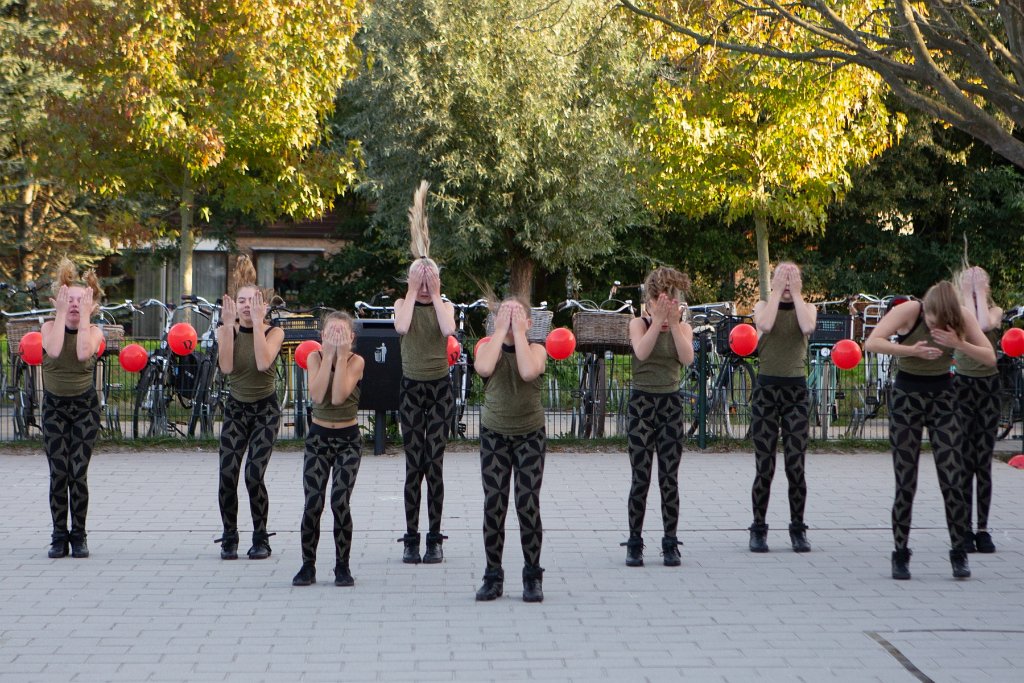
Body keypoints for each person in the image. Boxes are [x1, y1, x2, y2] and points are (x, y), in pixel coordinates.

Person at [865, 280, 995, 580]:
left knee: (953, 478)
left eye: (942, 322)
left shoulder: (962, 316)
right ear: (928, 308)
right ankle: (900, 553)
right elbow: (872, 342)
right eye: (933, 319)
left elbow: (989, 356)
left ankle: (959, 552)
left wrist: (958, 344)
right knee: (906, 481)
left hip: (944, 397)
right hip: (908, 396)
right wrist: (911, 350)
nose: (936, 324)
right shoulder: (911, 310)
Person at [393, 181, 457, 564]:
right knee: (412, 464)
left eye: (428, 281)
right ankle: (412, 536)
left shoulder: (440, 304)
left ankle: (434, 536)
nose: (422, 287)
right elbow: (401, 327)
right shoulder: (404, 303)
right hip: (411, 390)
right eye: (418, 281)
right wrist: (412, 289)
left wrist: (434, 294)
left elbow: (448, 330)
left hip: (439, 390)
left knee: (435, 462)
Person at [473, 297, 548, 603]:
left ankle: (532, 575)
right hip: (495, 435)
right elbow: (483, 366)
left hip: (530, 435)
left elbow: (529, 372)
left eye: (518, 317)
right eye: (504, 315)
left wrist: (518, 333)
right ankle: (493, 575)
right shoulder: (487, 346)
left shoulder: (537, 348)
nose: (510, 320)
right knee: (495, 504)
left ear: (530, 324)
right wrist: (500, 329)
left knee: (527, 503)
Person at [214, 255, 285, 560]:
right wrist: (228, 327)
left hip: (265, 411)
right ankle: (230, 534)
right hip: (236, 409)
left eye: (251, 300)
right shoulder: (224, 331)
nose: (245, 305)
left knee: (253, 474)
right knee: (228, 473)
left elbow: (262, 362)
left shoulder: (274, 332)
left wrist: (257, 324)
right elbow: (227, 368)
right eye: (240, 300)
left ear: (263, 304)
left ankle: (260, 536)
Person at [622, 267, 694, 567]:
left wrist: (674, 325)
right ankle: (635, 542)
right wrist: (657, 322)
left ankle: (670, 542)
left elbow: (687, 358)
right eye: (659, 302)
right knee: (641, 477)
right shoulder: (638, 324)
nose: (665, 307)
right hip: (642, 404)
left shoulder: (683, 327)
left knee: (669, 478)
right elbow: (641, 352)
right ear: (649, 303)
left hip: (670, 405)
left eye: (671, 301)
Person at [292, 311, 366, 587]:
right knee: (313, 503)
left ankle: (342, 566)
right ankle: (307, 565)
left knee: (339, 502)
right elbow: (319, 394)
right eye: (331, 333)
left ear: (351, 338)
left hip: (347, 440)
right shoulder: (315, 357)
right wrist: (328, 355)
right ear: (321, 337)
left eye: (341, 333)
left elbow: (338, 396)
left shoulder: (357, 361)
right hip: (318, 439)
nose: (336, 338)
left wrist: (341, 356)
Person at [748, 262, 817, 553]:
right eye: (782, 277)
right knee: (765, 465)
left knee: (795, 465)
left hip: (795, 391)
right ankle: (758, 528)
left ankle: (798, 529)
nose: (787, 283)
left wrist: (797, 295)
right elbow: (763, 325)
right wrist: (775, 292)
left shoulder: (808, 307)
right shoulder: (762, 304)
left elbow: (807, 326)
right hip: (766, 391)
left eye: (793, 278)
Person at [40, 258, 105, 559]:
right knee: (59, 472)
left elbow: (81, 353)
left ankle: (78, 535)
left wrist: (86, 317)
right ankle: (58, 535)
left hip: (84, 408)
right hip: (54, 407)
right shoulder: (49, 326)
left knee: (77, 472)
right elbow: (54, 350)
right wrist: (61, 312)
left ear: (92, 304)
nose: (76, 304)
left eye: (82, 300)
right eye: (70, 299)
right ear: (59, 301)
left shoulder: (93, 332)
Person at [952, 267, 1002, 554]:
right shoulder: (956, 311)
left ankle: (982, 529)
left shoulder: (994, 310)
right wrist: (968, 292)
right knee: (962, 461)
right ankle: (964, 528)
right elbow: (969, 322)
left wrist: (979, 293)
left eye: (979, 280)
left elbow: (983, 325)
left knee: (982, 462)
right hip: (961, 387)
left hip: (988, 388)